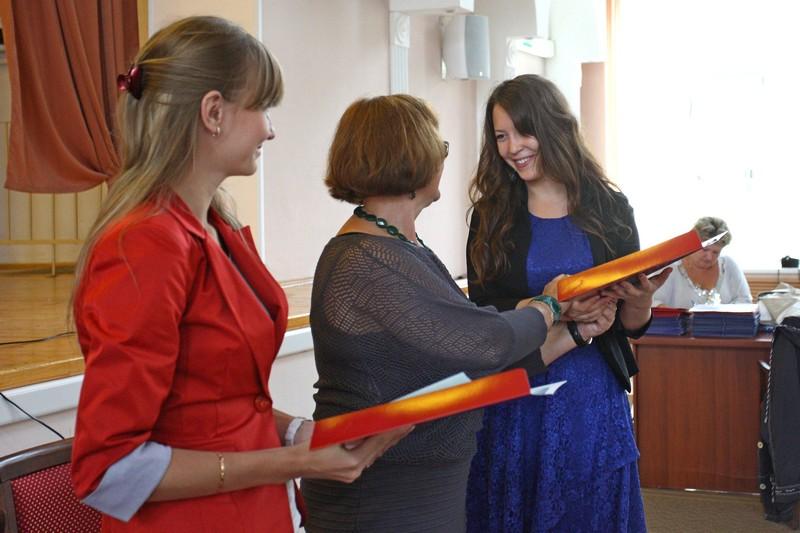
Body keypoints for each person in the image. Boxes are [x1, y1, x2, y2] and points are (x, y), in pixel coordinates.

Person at [69, 16, 409, 532]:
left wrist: (300, 433)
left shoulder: (217, 226)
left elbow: (217, 409)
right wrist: (295, 462)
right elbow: (110, 470)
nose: (270, 129)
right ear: (214, 112)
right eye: (262, 108)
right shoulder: (145, 244)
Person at [300, 94, 615, 533]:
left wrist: (576, 334)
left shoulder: (403, 247)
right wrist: (549, 304)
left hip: (426, 481)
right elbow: (484, 342)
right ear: (410, 158)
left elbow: (469, 366)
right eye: (439, 146)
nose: (443, 158)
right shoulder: (364, 259)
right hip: (381, 492)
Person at [465, 74, 670, 532]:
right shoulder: (491, 214)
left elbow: (631, 324)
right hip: (519, 390)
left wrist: (640, 300)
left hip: (591, 393)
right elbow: (484, 312)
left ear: (554, 126)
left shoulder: (610, 207)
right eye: (501, 136)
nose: (512, 147)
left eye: (523, 131)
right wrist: (552, 305)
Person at [653, 216, 752, 308]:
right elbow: (654, 302)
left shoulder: (728, 265)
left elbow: (745, 301)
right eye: (704, 250)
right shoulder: (671, 268)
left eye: (715, 252)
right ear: (692, 243)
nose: (709, 257)